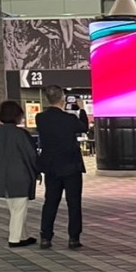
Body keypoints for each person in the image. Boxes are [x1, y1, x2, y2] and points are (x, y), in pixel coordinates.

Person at [36, 84, 86, 249]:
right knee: (74, 202)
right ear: (63, 99)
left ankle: (46, 237)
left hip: (51, 166)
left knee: (50, 201)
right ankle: (73, 238)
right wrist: (81, 109)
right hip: (71, 165)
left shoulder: (40, 118)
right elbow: (84, 127)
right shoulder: (69, 119)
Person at [0, 99, 40, 247]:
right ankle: (14, 239)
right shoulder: (21, 134)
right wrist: (37, 171)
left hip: (1, 176)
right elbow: (31, 155)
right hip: (20, 175)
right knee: (19, 209)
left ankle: (24, 235)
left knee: (15, 208)